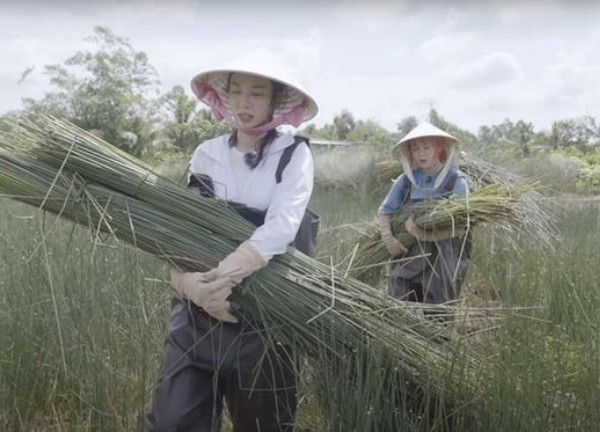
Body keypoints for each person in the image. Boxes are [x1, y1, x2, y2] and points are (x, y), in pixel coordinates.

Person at [145, 51, 318, 432]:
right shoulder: (206, 154)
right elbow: (179, 231)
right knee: (173, 420)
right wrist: (188, 285)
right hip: (197, 316)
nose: (244, 102)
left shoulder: (293, 154)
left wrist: (225, 277)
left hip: (265, 319)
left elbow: (283, 225)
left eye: (257, 93)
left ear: (277, 101)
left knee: (262, 424)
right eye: (236, 91)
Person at [377, 121, 471, 306]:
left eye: (426, 147)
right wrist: (388, 239)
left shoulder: (456, 182)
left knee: (438, 310)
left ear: (439, 149)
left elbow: (463, 227)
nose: (420, 154)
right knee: (400, 305)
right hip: (409, 254)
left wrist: (424, 234)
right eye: (415, 149)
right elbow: (384, 212)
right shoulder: (406, 181)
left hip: (444, 257)